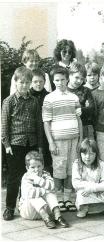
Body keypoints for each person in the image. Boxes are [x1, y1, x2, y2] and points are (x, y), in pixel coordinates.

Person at [2, 67, 43, 220]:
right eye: (21, 82)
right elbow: (4, 126)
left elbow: (39, 125)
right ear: (16, 82)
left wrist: (39, 146)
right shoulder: (9, 102)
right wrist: (6, 145)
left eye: (27, 82)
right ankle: (9, 207)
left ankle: (25, 204)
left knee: (31, 176)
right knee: (14, 177)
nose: (24, 86)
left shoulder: (34, 102)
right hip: (15, 145)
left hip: (31, 143)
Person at [42, 66, 83, 213]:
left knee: (71, 170)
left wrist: (80, 140)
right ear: (53, 81)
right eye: (57, 80)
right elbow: (46, 122)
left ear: (67, 80)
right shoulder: (49, 98)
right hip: (58, 141)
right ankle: (58, 200)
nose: (60, 82)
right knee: (59, 171)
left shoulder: (74, 97)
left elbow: (79, 120)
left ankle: (68, 199)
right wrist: (51, 142)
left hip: (74, 139)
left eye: (63, 79)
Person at [19, 151, 69, 228]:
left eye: (39, 166)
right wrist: (44, 190)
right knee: (35, 195)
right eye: (32, 167)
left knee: (50, 194)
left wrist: (38, 179)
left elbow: (52, 186)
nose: (36, 169)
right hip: (29, 211)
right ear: (27, 168)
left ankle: (58, 216)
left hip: (46, 209)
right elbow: (30, 193)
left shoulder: (46, 174)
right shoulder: (26, 177)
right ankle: (46, 218)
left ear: (43, 165)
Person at [71, 139, 104, 218]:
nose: (87, 157)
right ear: (80, 154)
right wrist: (89, 187)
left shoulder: (101, 164)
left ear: (96, 154)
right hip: (85, 191)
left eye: (91, 154)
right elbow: (75, 184)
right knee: (80, 195)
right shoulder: (76, 164)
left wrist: (93, 188)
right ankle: (85, 207)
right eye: (84, 153)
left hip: (98, 191)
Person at [29, 70, 52, 175]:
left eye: (41, 81)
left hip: (46, 130)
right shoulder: (27, 95)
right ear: (31, 82)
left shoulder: (49, 96)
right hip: (32, 132)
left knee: (46, 158)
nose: (38, 84)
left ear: (44, 81)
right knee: (33, 158)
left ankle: (47, 180)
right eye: (35, 81)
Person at [67, 62, 95, 139]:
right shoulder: (63, 91)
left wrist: (81, 109)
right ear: (70, 75)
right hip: (68, 128)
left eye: (82, 79)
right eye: (77, 77)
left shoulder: (86, 91)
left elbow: (92, 108)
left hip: (84, 126)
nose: (79, 81)